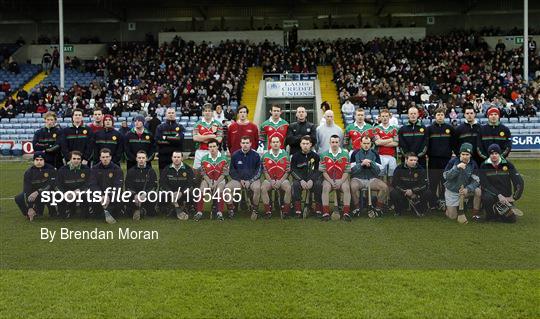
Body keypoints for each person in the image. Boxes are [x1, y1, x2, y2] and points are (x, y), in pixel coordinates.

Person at [478, 144, 524, 223]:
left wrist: (514, 197)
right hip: (491, 194)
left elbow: (519, 182)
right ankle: (490, 215)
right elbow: (485, 185)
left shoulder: (508, 164)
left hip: (505, 197)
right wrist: (499, 195)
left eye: (496, 153)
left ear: (499, 154)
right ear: (489, 155)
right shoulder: (483, 166)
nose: (494, 155)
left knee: (511, 220)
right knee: (487, 198)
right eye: (492, 154)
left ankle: (499, 211)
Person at [426, 108, 458, 209]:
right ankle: (432, 203)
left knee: (445, 181)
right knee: (433, 182)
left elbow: (454, 144)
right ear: (435, 116)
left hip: (446, 160)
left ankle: (444, 202)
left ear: (445, 116)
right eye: (438, 114)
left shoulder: (450, 128)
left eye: (442, 115)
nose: (440, 116)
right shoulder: (429, 129)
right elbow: (426, 144)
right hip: (433, 160)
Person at [442, 143, 482, 224]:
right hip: (452, 190)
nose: (465, 156)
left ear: (470, 155)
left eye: (467, 154)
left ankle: (475, 214)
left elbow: (476, 180)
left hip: (465, 191)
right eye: (463, 154)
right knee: (452, 217)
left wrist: (468, 189)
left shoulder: (473, 164)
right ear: (460, 154)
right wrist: (457, 168)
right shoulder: (453, 161)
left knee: (478, 191)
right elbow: (446, 176)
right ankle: (448, 207)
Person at [225, 136, 262, 219]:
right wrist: (239, 179)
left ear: (250, 144)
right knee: (227, 188)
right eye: (243, 143)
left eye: (247, 143)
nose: (245, 145)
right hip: (239, 180)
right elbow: (232, 171)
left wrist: (250, 181)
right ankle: (231, 210)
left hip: (252, 180)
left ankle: (255, 210)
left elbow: (258, 171)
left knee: (257, 188)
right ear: (240, 144)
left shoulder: (256, 155)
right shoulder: (235, 155)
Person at [350, 136, 388, 217]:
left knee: (384, 187)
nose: (366, 145)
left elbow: (378, 171)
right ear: (360, 143)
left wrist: (371, 164)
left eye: (368, 143)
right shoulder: (354, 153)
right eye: (364, 143)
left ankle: (378, 209)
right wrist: (361, 164)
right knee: (352, 187)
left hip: (371, 179)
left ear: (371, 144)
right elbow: (352, 171)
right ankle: (357, 209)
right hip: (358, 178)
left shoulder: (375, 153)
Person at [194, 139, 229, 221]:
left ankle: (219, 213)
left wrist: (216, 183)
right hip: (207, 179)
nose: (212, 149)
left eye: (214, 146)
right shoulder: (204, 158)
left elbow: (224, 174)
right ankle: (199, 212)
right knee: (202, 189)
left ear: (218, 147)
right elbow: (204, 173)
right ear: (208, 148)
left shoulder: (224, 158)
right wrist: (210, 183)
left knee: (219, 190)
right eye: (210, 147)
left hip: (220, 179)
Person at [15, 152, 57, 221]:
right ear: (33, 161)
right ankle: (29, 213)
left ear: (44, 160)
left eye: (41, 160)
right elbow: (27, 189)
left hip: (48, 192)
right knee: (19, 197)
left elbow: (50, 184)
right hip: (34, 194)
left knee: (50, 193)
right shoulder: (28, 172)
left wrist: (37, 192)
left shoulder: (51, 169)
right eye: (37, 160)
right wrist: (30, 207)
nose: (39, 162)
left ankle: (52, 211)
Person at [319, 134, 351, 221]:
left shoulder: (345, 154)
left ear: (339, 142)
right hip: (328, 179)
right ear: (329, 142)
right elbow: (323, 171)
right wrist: (331, 181)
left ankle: (346, 213)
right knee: (325, 188)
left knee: (346, 188)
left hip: (342, 178)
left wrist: (340, 181)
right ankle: (325, 213)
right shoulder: (324, 154)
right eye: (332, 142)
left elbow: (346, 171)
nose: (334, 144)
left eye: (336, 142)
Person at [290, 135, 322, 218]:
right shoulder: (295, 156)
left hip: (312, 180)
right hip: (300, 180)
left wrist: (312, 180)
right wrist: (301, 180)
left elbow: (318, 171)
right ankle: (298, 210)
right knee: (295, 185)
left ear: (311, 144)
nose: (305, 145)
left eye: (307, 143)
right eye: (303, 143)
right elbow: (292, 170)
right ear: (300, 144)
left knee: (318, 185)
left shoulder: (316, 156)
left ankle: (318, 209)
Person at [89, 148, 124, 224]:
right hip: (99, 195)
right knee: (92, 200)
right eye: (103, 157)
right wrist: (101, 195)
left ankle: (108, 212)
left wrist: (108, 196)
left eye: (107, 157)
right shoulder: (94, 169)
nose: (105, 159)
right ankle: (105, 212)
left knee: (119, 200)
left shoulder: (117, 169)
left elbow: (118, 186)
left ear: (110, 157)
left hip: (112, 195)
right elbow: (93, 184)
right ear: (100, 158)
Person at [261, 136, 291, 219]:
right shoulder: (265, 156)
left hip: (282, 179)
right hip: (270, 179)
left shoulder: (286, 155)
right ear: (270, 144)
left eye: (277, 142)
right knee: (263, 188)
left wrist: (280, 181)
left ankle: (285, 211)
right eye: (273, 142)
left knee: (288, 188)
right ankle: (268, 212)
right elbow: (265, 171)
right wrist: (271, 181)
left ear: (280, 143)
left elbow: (287, 171)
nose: (275, 144)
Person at [159, 151, 195, 220]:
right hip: (171, 193)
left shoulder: (188, 169)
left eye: (178, 157)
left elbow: (191, 183)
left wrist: (181, 192)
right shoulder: (166, 169)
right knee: (161, 195)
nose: (176, 159)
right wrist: (170, 192)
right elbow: (162, 183)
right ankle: (167, 208)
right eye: (174, 157)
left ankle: (188, 207)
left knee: (193, 193)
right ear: (172, 158)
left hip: (183, 193)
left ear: (182, 158)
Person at [55, 151, 91, 218]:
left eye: (78, 159)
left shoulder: (86, 169)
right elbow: (57, 184)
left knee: (86, 194)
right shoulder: (62, 169)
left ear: (81, 160)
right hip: (67, 192)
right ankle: (64, 212)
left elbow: (89, 182)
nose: (76, 161)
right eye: (74, 158)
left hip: (80, 192)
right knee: (58, 195)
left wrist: (80, 190)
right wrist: (64, 193)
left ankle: (85, 212)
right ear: (70, 159)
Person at [124, 150, 158, 220]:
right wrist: (135, 195)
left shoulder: (151, 171)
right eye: (139, 158)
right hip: (135, 196)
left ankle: (143, 210)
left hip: (145, 195)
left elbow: (154, 186)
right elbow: (128, 186)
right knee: (126, 195)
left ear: (146, 159)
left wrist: (145, 194)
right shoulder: (131, 171)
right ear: (136, 159)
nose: (141, 160)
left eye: (143, 158)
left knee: (153, 195)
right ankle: (136, 209)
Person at [192, 104, 223, 170]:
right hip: (200, 151)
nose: (207, 112)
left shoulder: (218, 124)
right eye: (205, 111)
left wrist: (202, 138)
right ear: (203, 112)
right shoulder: (197, 124)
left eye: (209, 111)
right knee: (197, 173)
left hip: (214, 151)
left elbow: (219, 139)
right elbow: (195, 138)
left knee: (214, 172)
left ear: (212, 112)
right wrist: (212, 136)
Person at [372, 109, 399, 183]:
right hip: (380, 156)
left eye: (386, 116)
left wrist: (382, 142)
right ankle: (382, 193)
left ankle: (389, 193)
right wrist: (390, 139)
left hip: (391, 156)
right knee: (381, 177)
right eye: (383, 116)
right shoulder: (376, 128)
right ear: (380, 117)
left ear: (389, 117)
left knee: (391, 177)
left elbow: (396, 143)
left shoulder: (395, 129)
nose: (384, 118)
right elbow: (377, 143)